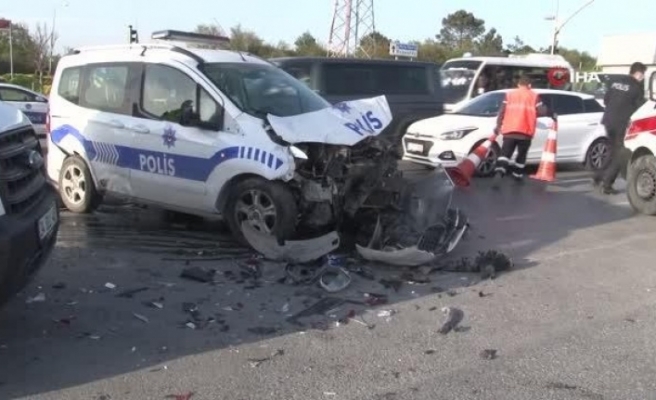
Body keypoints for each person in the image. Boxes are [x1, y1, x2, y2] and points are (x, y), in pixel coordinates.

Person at [593, 62, 647, 194]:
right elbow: (641, 108)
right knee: (620, 154)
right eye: (643, 75)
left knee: (612, 150)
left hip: (608, 121)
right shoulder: (636, 87)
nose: (643, 77)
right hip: (621, 124)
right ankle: (607, 185)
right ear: (638, 73)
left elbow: (606, 100)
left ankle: (598, 177)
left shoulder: (616, 82)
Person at [492, 75, 547, 188]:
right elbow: (542, 111)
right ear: (529, 85)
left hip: (510, 130)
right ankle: (517, 175)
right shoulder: (534, 96)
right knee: (521, 155)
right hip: (525, 132)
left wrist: (498, 126)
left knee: (505, 154)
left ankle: (500, 172)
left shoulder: (510, 95)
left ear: (518, 85)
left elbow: (502, 112)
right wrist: (546, 112)